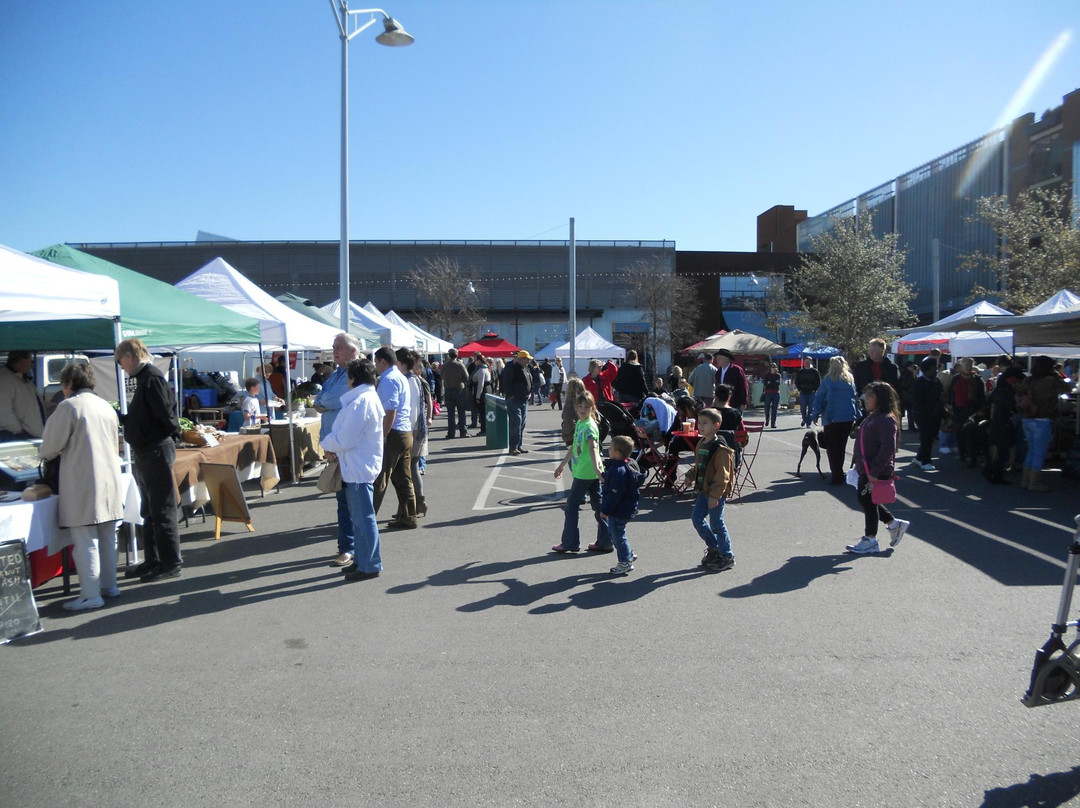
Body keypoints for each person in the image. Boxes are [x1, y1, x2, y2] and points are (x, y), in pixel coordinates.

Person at [39, 363, 123, 610]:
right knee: (108, 535)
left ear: (68, 384)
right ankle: (109, 585)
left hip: (83, 479)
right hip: (109, 477)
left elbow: (49, 448)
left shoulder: (68, 407)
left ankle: (90, 594)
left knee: (85, 537)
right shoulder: (105, 405)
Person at [115, 338, 182, 583]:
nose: (121, 365)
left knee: (161, 508)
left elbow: (165, 413)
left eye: (121, 360)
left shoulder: (151, 378)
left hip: (155, 449)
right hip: (149, 450)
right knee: (150, 509)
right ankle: (154, 560)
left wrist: (173, 434)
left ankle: (170, 561)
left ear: (130, 356)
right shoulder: (146, 378)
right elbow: (154, 415)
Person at [320, 358, 385, 582]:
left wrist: (327, 444)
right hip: (356, 465)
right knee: (359, 519)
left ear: (353, 378)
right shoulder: (364, 398)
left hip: (358, 467)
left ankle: (369, 564)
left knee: (363, 518)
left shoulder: (361, 401)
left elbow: (346, 437)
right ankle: (362, 561)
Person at [315, 333, 363, 566]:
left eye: (339, 348)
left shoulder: (355, 373)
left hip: (346, 446)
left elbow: (331, 400)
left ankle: (350, 548)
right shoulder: (337, 373)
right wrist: (321, 401)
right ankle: (349, 546)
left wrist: (321, 402)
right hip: (334, 444)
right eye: (333, 347)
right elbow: (322, 395)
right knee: (343, 498)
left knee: (349, 500)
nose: (334, 351)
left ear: (353, 350)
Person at [846, 381, 910, 555]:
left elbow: (888, 448)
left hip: (875, 470)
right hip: (866, 468)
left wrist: (874, 471)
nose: (867, 399)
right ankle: (893, 524)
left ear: (881, 398)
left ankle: (871, 539)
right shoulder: (873, 416)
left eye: (871, 396)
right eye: (866, 395)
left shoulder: (886, 419)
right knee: (866, 499)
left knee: (868, 501)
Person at [552, 391, 610, 554]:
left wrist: (598, 470)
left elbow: (592, 448)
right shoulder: (581, 423)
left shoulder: (589, 425)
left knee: (571, 507)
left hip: (586, 472)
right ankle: (605, 541)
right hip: (588, 471)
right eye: (580, 406)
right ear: (575, 408)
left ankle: (570, 542)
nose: (583, 409)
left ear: (592, 408)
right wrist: (562, 465)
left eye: (586, 406)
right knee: (599, 507)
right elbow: (574, 448)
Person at [682, 407, 736, 572]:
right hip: (704, 490)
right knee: (697, 519)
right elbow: (700, 465)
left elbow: (722, 476)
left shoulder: (720, 449)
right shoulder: (701, 443)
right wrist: (691, 474)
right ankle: (715, 548)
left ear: (716, 425)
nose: (700, 426)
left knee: (717, 523)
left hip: (715, 492)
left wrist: (715, 496)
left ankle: (727, 555)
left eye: (705, 423)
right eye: (699, 422)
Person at [373, 346, 416, 529]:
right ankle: (409, 515)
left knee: (380, 477)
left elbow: (390, 411)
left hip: (394, 433)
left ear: (383, 361)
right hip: (404, 432)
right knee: (402, 478)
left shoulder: (388, 379)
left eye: (376, 362)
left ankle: (367, 518)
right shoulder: (400, 377)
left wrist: (382, 435)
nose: (375, 366)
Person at [1019, 356, 1069, 492]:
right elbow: (1067, 389)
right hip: (1042, 419)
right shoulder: (1051, 381)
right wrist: (1057, 375)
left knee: (1031, 450)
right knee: (1039, 452)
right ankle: (1034, 482)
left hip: (1027, 417)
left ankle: (1025, 480)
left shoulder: (1028, 380)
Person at [811, 356, 859, 485]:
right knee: (841, 446)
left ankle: (836, 474)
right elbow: (854, 398)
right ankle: (839, 471)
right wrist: (857, 415)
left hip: (831, 417)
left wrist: (815, 414)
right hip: (847, 418)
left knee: (832, 448)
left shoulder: (828, 380)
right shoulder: (849, 379)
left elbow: (819, 398)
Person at [599, 435, 643, 576]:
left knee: (617, 534)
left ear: (617, 453)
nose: (608, 450)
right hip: (625, 508)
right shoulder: (623, 466)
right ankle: (628, 553)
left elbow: (614, 495)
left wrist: (605, 510)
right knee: (617, 533)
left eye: (610, 448)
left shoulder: (619, 472)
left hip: (620, 510)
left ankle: (625, 561)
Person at [399, 348, 432, 518]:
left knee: (407, 470)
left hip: (411, 430)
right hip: (418, 429)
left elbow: (411, 410)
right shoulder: (417, 380)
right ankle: (416, 502)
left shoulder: (407, 380)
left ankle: (413, 504)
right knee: (412, 468)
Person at [984, 366, 1024, 484]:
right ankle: (994, 473)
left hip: (997, 421)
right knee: (1003, 450)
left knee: (1000, 449)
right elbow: (1012, 407)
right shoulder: (1007, 391)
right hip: (1004, 421)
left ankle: (991, 471)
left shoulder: (999, 389)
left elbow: (989, 402)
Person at [909, 357, 945, 472]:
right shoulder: (919, 383)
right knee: (926, 437)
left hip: (935, 414)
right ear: (927, 370)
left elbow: (940, 396)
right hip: (922, 414)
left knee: (931, 437)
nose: (935, 371)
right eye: (933, 369)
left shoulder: (937, 381)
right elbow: (916, 400)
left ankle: (919, 457)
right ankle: (925, 460)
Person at [0, 350, 45, 440]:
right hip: (18, 437)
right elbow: (3, 411)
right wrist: (20, 431)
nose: (31, 365)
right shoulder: (4, 380)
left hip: (34, 434)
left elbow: (33, 403)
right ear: (23, 361)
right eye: (30, 360)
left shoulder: (23, 379)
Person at [852, 338, 901, 412]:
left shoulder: (892, 367)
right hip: (865, 403)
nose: (871, 352)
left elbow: (896, 387)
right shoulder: (860, 366)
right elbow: (856, 383)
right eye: (870, 350)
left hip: (885, 404)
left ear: (882, 351)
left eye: (874, 350)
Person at [947, 357, 987, 442]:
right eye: (967, 365)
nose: (968, 367)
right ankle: (962, 453)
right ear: (962, 366)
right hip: (958, 410)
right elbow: (951, 393)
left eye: (970, 365)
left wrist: (980, 409)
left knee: (972, 433)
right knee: (960, 432)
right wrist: (950, 406)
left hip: (973, 410)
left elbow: (982, 396)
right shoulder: (956, 379)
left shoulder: (977, 379)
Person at [502, 350, 533, 456]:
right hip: (514, 400)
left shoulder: (526, 369)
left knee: (522, 424)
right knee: (516, 422)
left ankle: (519, 445)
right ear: (520, 359)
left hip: (524, 400)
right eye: (526, 359)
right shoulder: (512, 368)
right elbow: (506, 382)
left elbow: (530, 382)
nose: (528, 361)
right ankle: (513, 447)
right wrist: (510, 394)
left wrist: (529, 393)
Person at [441, 348, 471, 439]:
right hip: (459, 390)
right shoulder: (460, 364)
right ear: (456, 355)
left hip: (448, 390)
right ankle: (463, 432)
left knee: (451, 414)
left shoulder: (445, 365)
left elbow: (441, 376)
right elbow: (466, 376)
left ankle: (451, 433)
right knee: (461, 412)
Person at [793, 356, 821, 428]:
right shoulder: (801, 372)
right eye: (805, 362)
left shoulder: (815, 371)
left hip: (812, 392)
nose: (807, 363)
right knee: (803, 408)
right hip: (803, 392)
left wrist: (815, 389)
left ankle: (808, 423)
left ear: (811, 362)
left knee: (811, 409)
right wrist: (799, 388)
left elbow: (818, 382)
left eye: (808, 361)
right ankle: (804, 419)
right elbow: (797, 381)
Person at [561, 376, 587, 447]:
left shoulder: (570, 403)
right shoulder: (587, 400)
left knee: (575, 455)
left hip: (573, 436)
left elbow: (568, 421)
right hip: (587, 433)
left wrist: (566, 435)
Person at [471, 358, 493, 436]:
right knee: (484, 412)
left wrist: (477, 396)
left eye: (476, 360)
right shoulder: (487, 369)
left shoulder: (481, 370)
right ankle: (484, 429)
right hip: (487, 391)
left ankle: (484, 430)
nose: (474, 362)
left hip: (483, 392)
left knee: (482, 412)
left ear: (479, 361)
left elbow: (481, 384)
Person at [761, 362, 782, 428]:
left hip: (776, 393)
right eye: (772, 367)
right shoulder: (767, 375)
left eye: (775, 367)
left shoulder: (778, 375)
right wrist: (770, 383)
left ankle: (773, 423)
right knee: (767, 408)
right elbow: (766, 384)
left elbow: (777, 384)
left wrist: (770, 383)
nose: (773, 369)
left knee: (774, 409)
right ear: (770, 368)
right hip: (768, 393)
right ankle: (767, 419)